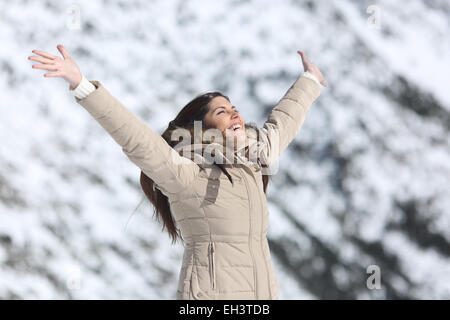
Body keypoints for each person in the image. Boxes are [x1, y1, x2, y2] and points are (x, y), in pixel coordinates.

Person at [29, 44, 326, 300]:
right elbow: (138, 140)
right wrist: (81, 85)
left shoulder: (252, 158)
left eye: (234, 108)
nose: (235, 113)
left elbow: (281, 125)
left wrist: (310, 80)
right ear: (201, 128)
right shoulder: (188, 174)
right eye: (221, 111)